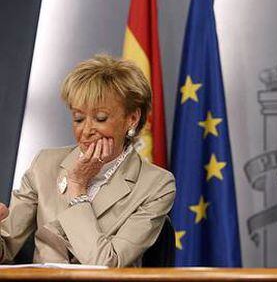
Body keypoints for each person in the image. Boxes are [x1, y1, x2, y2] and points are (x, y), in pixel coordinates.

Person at [0, 54, 175, 267]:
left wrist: (78, 187)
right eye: (79, 118)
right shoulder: (44, 164)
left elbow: (107, 263)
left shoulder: (156, 184)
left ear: (132, 118)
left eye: (100, 118)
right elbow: (5, 249)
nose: (87, 130)